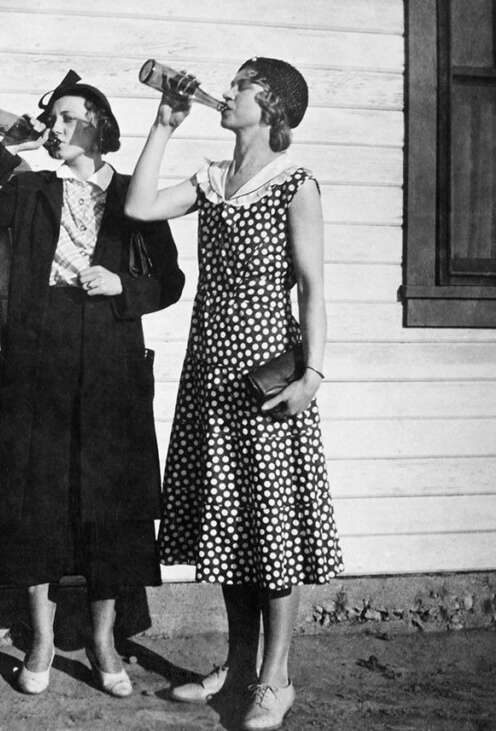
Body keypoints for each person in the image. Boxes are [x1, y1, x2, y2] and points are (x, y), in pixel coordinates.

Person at [124, 57, 344, 730]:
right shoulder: (213, 180)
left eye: (244, 82)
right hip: (212, 375)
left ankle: (276, 680)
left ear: (272, 104)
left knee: (271, 527)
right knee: (231, 522)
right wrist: (164, 122)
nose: (230, 89)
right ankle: (240, 664)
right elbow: (137, 207)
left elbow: (311, 289)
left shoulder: (294, 184)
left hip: (268, 377)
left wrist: (312, 376)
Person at [0, 75, 184, 697]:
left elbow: (170, 281)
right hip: (38, 349)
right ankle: (43, 639)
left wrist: (124, 289)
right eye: (50, 118)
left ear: (99, 126)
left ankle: (105, 639)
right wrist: (11, 148)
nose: (54, 127)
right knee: (36, 496)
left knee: (111, 502)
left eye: (65, 118)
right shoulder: (29, 187)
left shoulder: (135, 194)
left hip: (110, 349)